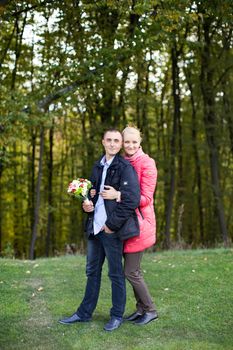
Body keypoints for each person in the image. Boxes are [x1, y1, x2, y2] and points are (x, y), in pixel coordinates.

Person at [59, 128, 140, 331]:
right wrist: (87, 205)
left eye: (116, 141)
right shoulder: (97, 166)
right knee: (92, 271)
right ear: (103, 142)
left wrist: (111, 225)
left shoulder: (125, 167)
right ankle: (84, 313)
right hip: (94, 229)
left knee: (115, 274)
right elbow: (94, 196)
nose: (112, 144)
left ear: (120, 144)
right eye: (109, 140)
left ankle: (116, 316)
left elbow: (131, 200)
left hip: (111, 230)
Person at [100, 126, 158, 325]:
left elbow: (146, 198)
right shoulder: (123, 162)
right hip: (124, 222)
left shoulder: (147, 163)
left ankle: (150, 309)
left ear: (140, 143)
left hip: (140, 223)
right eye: (127, 142)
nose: (130, 145)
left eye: (134, 142)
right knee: (133, 271)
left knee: (130, 272)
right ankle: (141, 309)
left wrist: (119, 195)